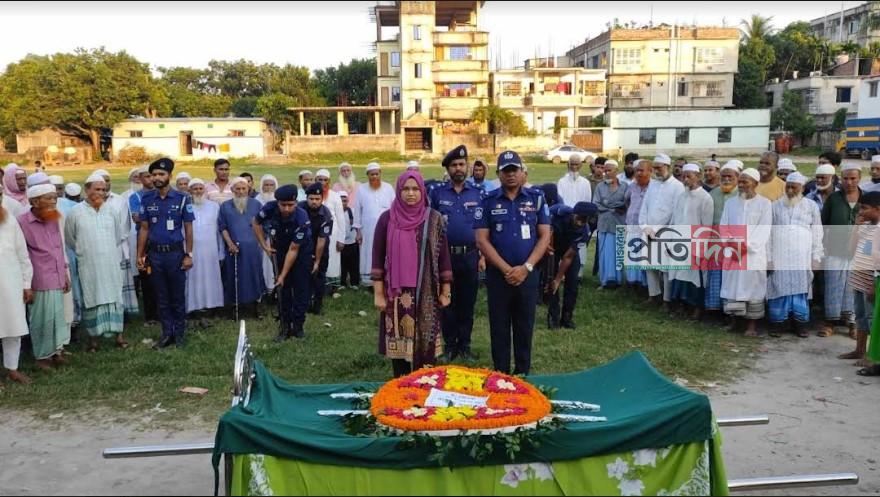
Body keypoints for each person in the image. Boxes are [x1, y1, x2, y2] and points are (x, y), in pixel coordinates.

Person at [475, 150, 551, 376]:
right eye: (505, 170)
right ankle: (500, 376)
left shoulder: (536, 198)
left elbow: (545, 236)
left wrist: (526, 268)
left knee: (524, 326)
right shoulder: (487, 200)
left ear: (521, 171)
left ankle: (522, 375)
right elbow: (481, 240)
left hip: (528, 275)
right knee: (499, 327)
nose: (510, 174)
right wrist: (507, 270)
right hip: (499, 277)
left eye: (514, 170)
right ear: (498, 174)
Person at [372, 171, 452, 377]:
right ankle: (400, 387)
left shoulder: (433, 219)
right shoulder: (387, 219)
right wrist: (378, 294)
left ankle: (424, 385)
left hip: (427, 291)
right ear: (399, 191)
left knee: (425, 346)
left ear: (422, 191)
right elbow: (377, 258)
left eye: (415, 189)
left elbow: (443, 257)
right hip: (396, 294)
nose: (410, 193)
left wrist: (446, 291)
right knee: (399, 345)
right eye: (406, 189)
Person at [431, 145, 485, 362]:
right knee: (447, 302)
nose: (458, 168)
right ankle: (450, 345)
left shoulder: (479, 193)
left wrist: (483, 256)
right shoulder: (437, 193)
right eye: (454, 165)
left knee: (467, 303)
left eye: (462, 164)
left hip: (470, 256)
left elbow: (485, 228)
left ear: (467, 166)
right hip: (446, 257)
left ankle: (465, 345)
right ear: (448, 169)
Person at [135, 158, 194, 350]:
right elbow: (144, 228)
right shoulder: (146, 199)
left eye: (161, 174)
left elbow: (188, 228)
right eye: (153, 175)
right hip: (155, 256)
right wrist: (140, 255)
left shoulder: (182, 198)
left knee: (177, 296)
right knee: (161, 296)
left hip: (175, 255)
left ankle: (180, 333)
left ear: (170, 176)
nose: (157, 178)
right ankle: (167, 333)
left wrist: (189, 254)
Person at [66, 174, 129, 352]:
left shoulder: (111, 210)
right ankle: (94, 341)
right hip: (89, 264)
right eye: (97, 189)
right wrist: (86, 251)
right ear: (87, 190)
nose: (100, 193)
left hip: (110, 262)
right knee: (92, 297)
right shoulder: (76, 212)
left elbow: (118, 235)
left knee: (115, 296)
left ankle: (119, 337)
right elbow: (70, 238)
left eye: (103, 189)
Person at [18, 183, 71, 370]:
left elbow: (59, 247)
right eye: (48, 198)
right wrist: (25, 283)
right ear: (34, 202)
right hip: (38, 277)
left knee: (57, 316)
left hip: (56, 274)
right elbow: (21, 253)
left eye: (54, 198)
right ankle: (42, 356)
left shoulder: (54, 217)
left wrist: (64, 272)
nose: (53, 201)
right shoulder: (22, 221)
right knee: (41, 318)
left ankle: (57, 351)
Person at [766, 172, 823, 338]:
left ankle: (800, 325)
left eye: (794, 187)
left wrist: (816, 257)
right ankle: (778, 324)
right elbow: (768, 234)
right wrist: (768, 259)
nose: (790, 190)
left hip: (802, 256)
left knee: (800, 289)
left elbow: (817, 232)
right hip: (779, 256)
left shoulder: (811, 206)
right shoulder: (775, 206)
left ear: (802, 188)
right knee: (778, 288)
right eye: (788, 187)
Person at [255, 185, 313, 341]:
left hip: (301, 253)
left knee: (300, 290)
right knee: (283, 290)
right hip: (280, 251)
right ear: (277, 202)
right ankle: (284, 327)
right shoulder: (269, 208)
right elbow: (255, 222)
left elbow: (293, 250)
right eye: (283, 205)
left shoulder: (302, 218)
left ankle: (298, 326)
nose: (287, 208)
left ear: (296, 203)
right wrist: (264, 246)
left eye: (290, 205)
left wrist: (282, 275)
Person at [720, 168, 772, 337]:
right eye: (740, 181)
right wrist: (730, 242)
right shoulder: (730, 203)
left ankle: (751, 326)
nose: (741, 185)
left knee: (753, 289)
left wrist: (747, 246)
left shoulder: (765, 204)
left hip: (753, 255)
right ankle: (734, 321)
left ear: (755, 183)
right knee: (732, 286)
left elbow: (764, 229)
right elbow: (724, 225)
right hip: (733, 252)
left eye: (745, 181)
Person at [819, 163, 862, 338]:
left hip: (859, 252)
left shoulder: (867, 198)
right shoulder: (834, 199)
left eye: (853, 178)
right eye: (845, 178)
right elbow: (823, 225)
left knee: (854, 287)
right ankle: (830, 323)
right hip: (834, 250)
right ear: (840, 179)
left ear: (859, 178)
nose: (849, 182)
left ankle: (853, 324)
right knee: (832, 286)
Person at [668, 164, 714, 320]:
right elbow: (675, 220)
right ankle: (681, 305)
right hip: (678, 242)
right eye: (684, 176)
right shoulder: (681, 196)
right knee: (678, 275)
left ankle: (696, 309)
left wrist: (700, 249)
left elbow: (706, 226)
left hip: (695, 244)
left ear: (698, 177)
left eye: (689, 176)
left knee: (695, 278)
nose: (686, 180)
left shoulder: (705, 198)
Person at [638, 153, 684, 310]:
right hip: (648, 230)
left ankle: (667, 300)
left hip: (666, 232)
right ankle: (653, 296)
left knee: (665, 268)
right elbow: (644, 206)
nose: (656, 171)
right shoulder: (653, 184)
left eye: (659, 168)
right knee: (649, 265)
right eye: (655, 168)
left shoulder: (677, 186)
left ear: (667, 167)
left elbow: (674, 212)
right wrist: (644, 226)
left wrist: (658, 229)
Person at [0, 179, 33, 386]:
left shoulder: (9, 220)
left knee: (13, 327)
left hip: (11, 284)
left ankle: (13, 369)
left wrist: (26, 284)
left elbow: (22, 254)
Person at [841, 191, 880, 364]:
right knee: (860, 316)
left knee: (872, 319)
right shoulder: (865, 226)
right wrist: (856, 227)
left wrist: (873, 285)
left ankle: (872, 356)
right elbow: (851, 249)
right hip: (858, 277)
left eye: (865, 208)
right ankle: (859, 350)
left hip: (871, 281)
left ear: (877, 209)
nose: (861, 212)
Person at [94, 169, 138, 320]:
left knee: (120, 282)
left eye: (107, 180)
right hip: (97, 251)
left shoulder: (120, 201)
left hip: (118, 249)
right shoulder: (88, 203)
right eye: (101, 181)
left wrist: (110, 243)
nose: (105, 184)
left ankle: (123, 313)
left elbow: (125, 227)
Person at [219, 177, 264, 320]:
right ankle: (234, 306)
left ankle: (256, 305)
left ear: (248, 189)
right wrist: (230, 244)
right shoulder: (225, 206)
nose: (241, 191)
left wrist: (261, 242)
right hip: (234, 249)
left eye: (244, 188)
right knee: (234, 277)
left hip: (253, 249)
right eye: (237, 189)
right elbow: (223, 227)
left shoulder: (257, 205)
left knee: (254, 276)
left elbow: (263, 225)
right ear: (232, 190)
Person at [547, 201, 595, 330]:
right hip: (551, 248)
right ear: (573, 214)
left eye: (584, 220)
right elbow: (544, 225)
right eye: (578, 218)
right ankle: (553, 318)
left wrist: (559, 279)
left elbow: (568, 257)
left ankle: (567, 318)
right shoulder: (559, 211)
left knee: (573, 282)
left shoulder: (585, 231)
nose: (580, 223)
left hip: (569, 250)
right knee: (551, 281)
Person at [185, 179, 223, 327]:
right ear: (190, 191)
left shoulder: (214, 206)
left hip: (210, 250)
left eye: (201, 188)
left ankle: (210, 307)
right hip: (192, 250)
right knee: (193, 278)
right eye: (195, 189)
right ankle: (193, 308)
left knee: (210, 278)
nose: (198, 191)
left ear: (205, 190)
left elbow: (219, 231)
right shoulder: (186, 206)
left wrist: (221, 251)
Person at [705, 161, 741, 317]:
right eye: (723, 176)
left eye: (730, 177)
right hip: (715, 241)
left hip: (735, 241)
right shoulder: (713, 193)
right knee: (715, 275)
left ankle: (731, 313)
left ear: (738, 178)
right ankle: (715, 309)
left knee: (732, 277)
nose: (726, 179)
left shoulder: (742, 194)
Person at [352, 162, 395, 286]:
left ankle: (386, 278)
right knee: (369, 252)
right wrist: (358, 232)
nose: (374, 177)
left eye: (377, 174)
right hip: (367, 229)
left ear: (380, 174)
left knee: (385, 251)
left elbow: (395, 208)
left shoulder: (388, 188)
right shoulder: (361, 189)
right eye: (372, 174)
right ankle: (370, 281)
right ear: (367, 175)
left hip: (386, 227)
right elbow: (357, 210)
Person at [129, 166, 158, 326]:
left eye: (152, 175)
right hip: (144, 242)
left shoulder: (162, 193)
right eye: (147, 176)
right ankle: (150, 315)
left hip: (161, 240)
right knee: (147, 278)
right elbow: (136, 218)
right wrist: (157, 215)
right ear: (140, 179)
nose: (151, 179)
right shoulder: (135, 197)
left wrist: (147, 216)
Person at [300, 183, 333, 315]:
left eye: (317, 199)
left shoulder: (326, 215)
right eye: (311, 198)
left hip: (320, 249)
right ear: (306, 198)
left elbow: (321, 239)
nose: (314, 201)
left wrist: (317, 262)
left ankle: (317, 305)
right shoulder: (299, 209)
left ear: (322, 199)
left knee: (319, 277)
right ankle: (304, 303)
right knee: (302, 278)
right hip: (302, 249)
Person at [594, 159, 627, 289]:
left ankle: (617, 281)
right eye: (605, 170)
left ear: (616, 171)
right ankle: (605, 281)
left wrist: (617, 207)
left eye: (609, 170)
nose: (606, 173)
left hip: (619, 223)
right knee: (604, 253)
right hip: (604, 223)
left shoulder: (624, 186)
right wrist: (610, 208)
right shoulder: (600, 186)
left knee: (618, 253)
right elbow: (596, 203)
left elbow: (626, 203)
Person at [315, 169, 346, 292]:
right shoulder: (312, 195)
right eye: (320, 180)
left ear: (329, 181)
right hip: (316, 234)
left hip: (333, 235)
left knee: (333, 260)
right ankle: (318, 286)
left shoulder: (335, 196)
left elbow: (341, 218)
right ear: (315, 180)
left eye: (325, 180)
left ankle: (332, 288)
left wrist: (341, 239)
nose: (322, 182)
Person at [623, 159, 652, 288]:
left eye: (641, 170)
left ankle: (645, 284)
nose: (638, 173)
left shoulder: (654, 187)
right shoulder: (632, 186)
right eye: (637, 170)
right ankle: (632, 281)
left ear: (650, 171)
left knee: (644, 255)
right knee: (632, 253)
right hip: (632, 225)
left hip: (645, 227)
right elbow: (626, 200)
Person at [257, 175, 279, 294]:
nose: (269, 188)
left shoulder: (280, 200)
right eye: (266, 185)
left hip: (276, 237)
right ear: (262, 186)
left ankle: (275, 288)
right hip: (260, 237)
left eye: (272, 185)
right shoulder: (257, 200)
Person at [338, 191, 360, 288]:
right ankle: (342, 283)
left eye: (345, 201)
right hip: (340, 243)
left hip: (352, 241)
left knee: (354, 263)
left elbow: (358, 224)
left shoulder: (353, 211)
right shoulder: (335, 212)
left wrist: (358, 234)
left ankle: (354, 283)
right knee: (342, 264)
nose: (343, 203)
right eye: (341, 201)